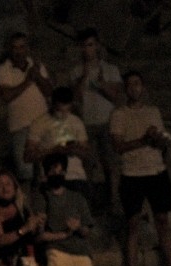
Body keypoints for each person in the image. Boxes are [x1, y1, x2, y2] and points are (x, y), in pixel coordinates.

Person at [110, 71, 171, 266]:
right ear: (125, 89)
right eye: (130, 85)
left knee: (163, 220)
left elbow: (161, 140)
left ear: (143, 87)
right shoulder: (119, 114)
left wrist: (158, 139)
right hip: (132, 174)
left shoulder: (153, 112)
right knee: (133, 224)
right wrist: (144, 139)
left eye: (137, 84)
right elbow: (118, 146)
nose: (134, 88)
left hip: (156, 170)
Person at [32, 153, 99, 266]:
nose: (57, 174)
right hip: (57, 252)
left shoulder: (77, 197)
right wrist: (65, 233)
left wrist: (76, 228)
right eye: (53, 171)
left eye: (60, 171)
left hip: (81, 252)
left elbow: (86, 230)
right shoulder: (41, 198)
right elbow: (40, 235)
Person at [70, 29, 122, 209]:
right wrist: (83, 77)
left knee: (110, 164)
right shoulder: (76, 71)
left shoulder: (110, 69)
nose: (87, 50)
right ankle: (89, 203)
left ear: (97, 46)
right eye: (84, 46)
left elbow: (116, 96)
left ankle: (114, 200)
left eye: (90, 45)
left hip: (107, 122)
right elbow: (75, 98)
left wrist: (101, 84)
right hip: (87, 124)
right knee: (88, 165)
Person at [0, 33, 51, 181]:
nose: (18, 51)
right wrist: (28, 80)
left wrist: (37, 76)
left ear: (27, 48)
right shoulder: (3, 69)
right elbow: (6, 96)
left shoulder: (37, 66)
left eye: (21, 47)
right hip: (20, 127)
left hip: (42, 124)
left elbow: (49, 91)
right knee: (25, 172)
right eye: (14, 47)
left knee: (47, 170)